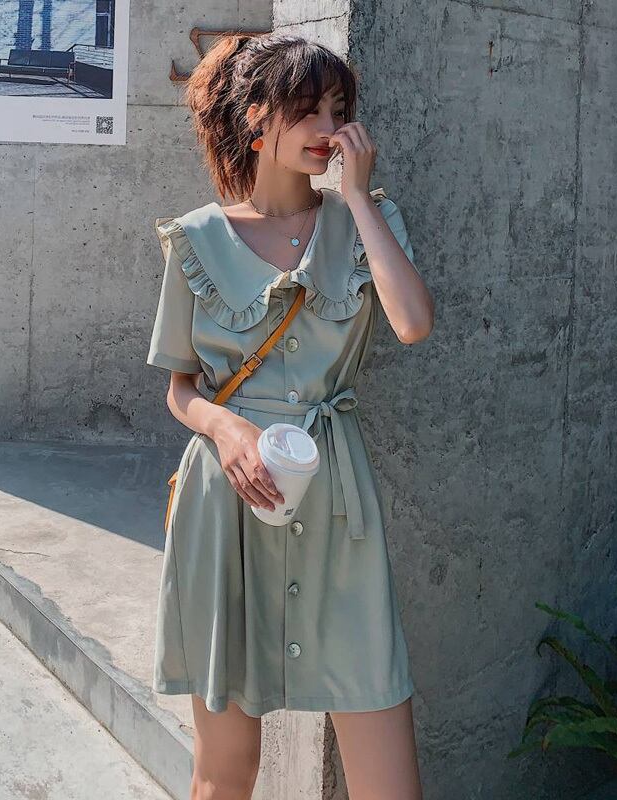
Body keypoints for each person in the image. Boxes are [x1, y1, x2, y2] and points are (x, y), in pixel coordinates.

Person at [146, 31, 434, 800]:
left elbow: (412, 323)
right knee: (225, 770)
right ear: (255, 118)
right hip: (227, 504)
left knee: (389, 776)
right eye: (307, 109)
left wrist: (359, 199)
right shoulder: (196, 240)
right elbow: (180, 389)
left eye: (338, 109)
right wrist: (226, 427)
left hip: (337, 506)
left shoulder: (367, 220)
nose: (327, 128)